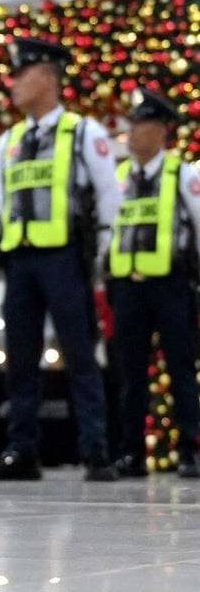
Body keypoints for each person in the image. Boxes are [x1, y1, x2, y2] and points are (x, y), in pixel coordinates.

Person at [0, 37, 121, 482]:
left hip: (65, 258)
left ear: (49, 78)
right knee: (20, 358)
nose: (14, 82)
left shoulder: (83, 132)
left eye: (23, 73)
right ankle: (22, 451)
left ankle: (96, 451)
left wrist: (100, 257)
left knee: (79, 353)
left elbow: (109, 195)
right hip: (19, 261)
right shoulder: (9, 141)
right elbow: (3, 199)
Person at [109, 88, 200, 479]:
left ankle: (190, 451)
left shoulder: (183, 173)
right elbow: (106, 232)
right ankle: (131, 452)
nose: (132, 134)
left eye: (141, 126)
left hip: (172, 286)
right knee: (130, 374)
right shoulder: (119, 177)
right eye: (131, 126)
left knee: (181, 369)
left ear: (161, 131)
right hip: (128, 288)